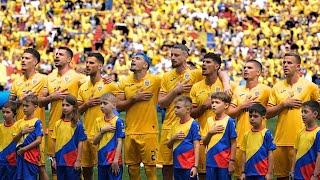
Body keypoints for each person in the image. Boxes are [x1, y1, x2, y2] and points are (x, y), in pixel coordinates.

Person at [158, 44, 230, 178]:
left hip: (189, 127)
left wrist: (226, 83)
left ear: (186, 56)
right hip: (169, 125)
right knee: (166, 164)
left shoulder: (196, 74)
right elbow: (161, 103)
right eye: (171, 55)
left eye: (176, 55)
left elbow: (220, 71)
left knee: (188, 165)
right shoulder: (167, 76)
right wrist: (175, 91)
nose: (172, 58)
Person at [266, 53, 320, 179]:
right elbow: (267, 113)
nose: (285, 65)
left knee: (303, 177)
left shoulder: (310, 86)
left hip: (303, 142)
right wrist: (283, 104)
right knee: (281, 177)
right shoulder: (276, 87)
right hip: (280, 141)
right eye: (284, 62)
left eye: (289, 63)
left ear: (298, 67)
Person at [117, 52, 160, 180]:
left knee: (150, 169)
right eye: (133, 58)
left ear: (145, 65)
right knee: (133, 169)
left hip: (149, 132)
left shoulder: (156, 80)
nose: (133, 60)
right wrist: (134, 99)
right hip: (130, 132)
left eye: (137, 58)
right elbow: (118, 105)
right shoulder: (124, 82)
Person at [78, 52, 119, 180]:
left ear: (100, 66)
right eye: (87, 63)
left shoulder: (109, 84)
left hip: (104, 135)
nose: (88, 65)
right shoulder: (83, 87)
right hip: (86, 133)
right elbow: (77, 111)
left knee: (106, 170)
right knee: (86, 170)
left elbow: (120, 103)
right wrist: (87, 104)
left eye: (92, 63)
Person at [227, 60, 271, 176]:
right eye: (245, 67)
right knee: (239, 175)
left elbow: (271, 111)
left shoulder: (266, 90)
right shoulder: (238, 89)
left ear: (258, 72)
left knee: (258, 175)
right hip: (240, 139)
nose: (245, 69)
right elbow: (230, 113)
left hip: (258, 141)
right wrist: (242, 106)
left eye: (250, 68)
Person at [10, 48, 48, 180]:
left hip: (35, 130)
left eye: (27, 58)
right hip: (20, 129)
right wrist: (18, 101)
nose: (23, 60)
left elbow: (43, 100)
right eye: (22, 58)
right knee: (19, 165)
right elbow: (9, 105)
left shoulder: (43, 79)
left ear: (35, 62)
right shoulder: (16, 81)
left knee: (40, 166)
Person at [190, 52, 225, 178]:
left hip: (222, 138)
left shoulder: (225, 85)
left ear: (217, 66)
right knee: (203, 174)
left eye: (208, 62)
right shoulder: (196, 87)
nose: (203, 64)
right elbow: (191, 114)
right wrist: (204, 106)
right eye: (203, 62)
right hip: (202, 138)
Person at [51, 95, 87, 180]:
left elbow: (80, 143)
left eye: (67, 105)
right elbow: (54, 141)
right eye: (63, 105)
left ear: (74, 107)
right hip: (60, 161)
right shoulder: (58, 123)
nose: (64, 107)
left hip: (72, 161)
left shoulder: (78, 124)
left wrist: (78, 160)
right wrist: (54, 159)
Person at [203, 92, 237, 180]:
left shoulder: (229, 121)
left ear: (226, 105)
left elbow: (233, 143)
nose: (213, 105)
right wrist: (210, 133)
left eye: (217, 102)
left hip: (224, 163)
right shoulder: (209, 120)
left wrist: (232, 161)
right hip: (210, 162)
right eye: (212, 102)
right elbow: (204, 142)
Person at [166, 96, 200, 180]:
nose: (175, 110)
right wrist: (173, 138)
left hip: (189, 166)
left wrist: (195, 166)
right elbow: (168, 145)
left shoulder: (193, 124)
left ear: (188, 109)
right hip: (177, 166)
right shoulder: (174, 125)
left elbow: (197, 145)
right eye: (174, 108)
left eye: (178, 107)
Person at [92, 93, 125, 180]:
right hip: (102, 161)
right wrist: (102, 131)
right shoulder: (98, 121)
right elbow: (94, 141)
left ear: (113, 105)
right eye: (101, 103)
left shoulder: (118, 121)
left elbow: (120, 142)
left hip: (114, 161)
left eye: (105, 103)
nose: (102, 106)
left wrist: (116, 160)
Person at [240, 103, 276, 180]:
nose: (252, 118)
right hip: (249, 173)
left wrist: (269, 173)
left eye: (255, 116)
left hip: (262, 173)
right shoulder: (246, 135)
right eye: (250, 116)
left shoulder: (267, 134)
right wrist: (243, 172)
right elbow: (244, 154)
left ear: (263, 118)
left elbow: (270, 154)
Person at [14, 94, 44, 180]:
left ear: (35, 107)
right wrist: (21, 132)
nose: (24, 108)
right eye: (23, 105)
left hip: (31, 156)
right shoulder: (19, 122)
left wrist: (24, 149)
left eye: (27, 106)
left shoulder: (37, 122)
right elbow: (14, 139)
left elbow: (38, 140)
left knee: (30, 177)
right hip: (19, 155)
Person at [291, 101, 320, 180]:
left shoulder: (318, 133)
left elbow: (319, 156)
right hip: (298, 174)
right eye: (302, 112)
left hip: (310, 175)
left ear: (315, 114)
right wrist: (292, 170)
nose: (302, 114)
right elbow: (295, 152)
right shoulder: (300, 132)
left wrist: (315, 174)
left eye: (306, 112)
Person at [0, 102, 19, 179]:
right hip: (1, 160)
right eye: (3, 112)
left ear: (14, 113)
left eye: (8, 112)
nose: (5, 114)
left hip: (13, 161)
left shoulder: (19, 127)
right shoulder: (0, 127)